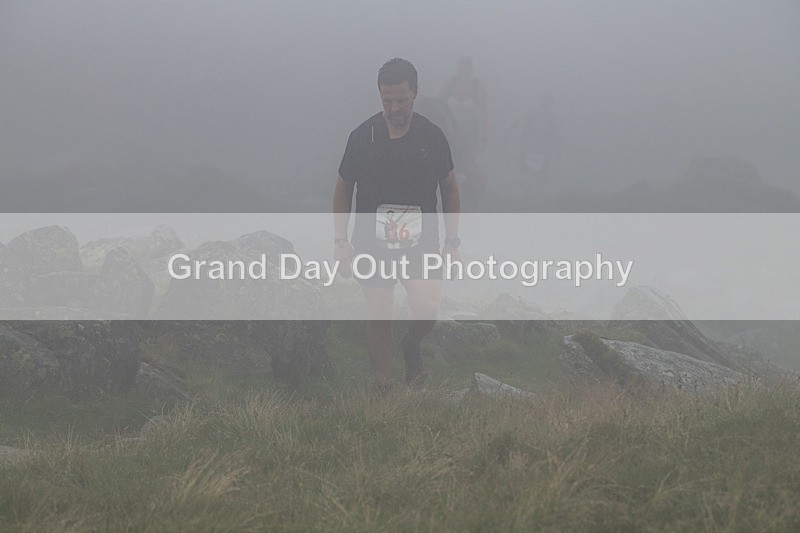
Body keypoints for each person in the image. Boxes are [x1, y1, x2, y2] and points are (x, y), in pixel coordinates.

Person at [333, 58, 461, 389]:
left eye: (401, 100)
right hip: (370, 239)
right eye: (387, 100)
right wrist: (341, 242)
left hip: (420, 241)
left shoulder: (431, 136)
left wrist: (452, 242)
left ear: (415, 94)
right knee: (379, 314)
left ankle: (412, 343)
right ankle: (385, 389)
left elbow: (449, 188)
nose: (394, 108)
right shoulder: (362, 136)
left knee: (427, 308)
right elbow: (343, 187)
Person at [439, 56, 488, 203]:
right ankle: (449, 193)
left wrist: (484, 137)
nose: (464, 73)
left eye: (467, 70)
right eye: (461, 69)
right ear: (457, 69)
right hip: (452, 132)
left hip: (470, 132)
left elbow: (484, 113)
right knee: (451, 163)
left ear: (471, 70)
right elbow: (438, 106)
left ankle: (469, 193)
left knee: (467, 163)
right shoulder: (450, 84)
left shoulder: (477, 87)